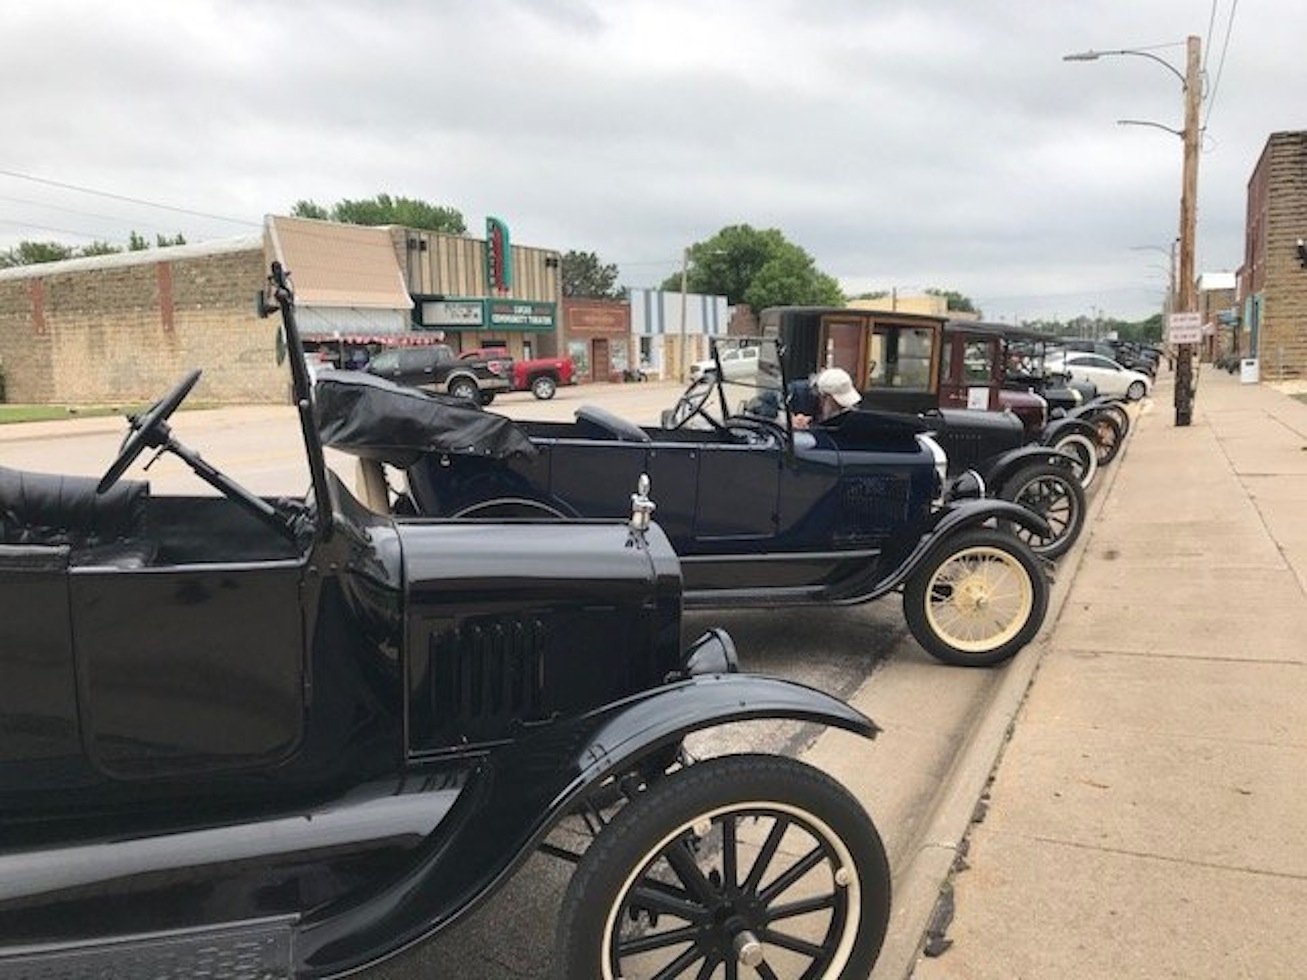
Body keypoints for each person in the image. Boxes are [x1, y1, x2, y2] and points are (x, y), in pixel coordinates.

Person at [792, 367, 861, 429]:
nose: (841, 409)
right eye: (837, 404)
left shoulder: (851, 411)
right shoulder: (796, 394)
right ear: (823, 396)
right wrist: (792, 422)